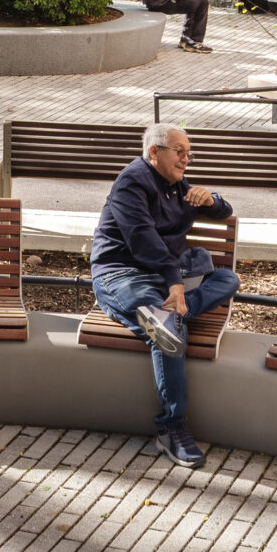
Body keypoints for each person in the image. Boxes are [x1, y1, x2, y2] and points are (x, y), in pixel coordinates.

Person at [90, 125, 238, 468]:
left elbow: (223, 212)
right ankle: (171, 428)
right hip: (121, 274)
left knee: (227, 279)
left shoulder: (178, 186)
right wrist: (173, 283)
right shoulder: (132, 181)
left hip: (162, 279)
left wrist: (212, 198)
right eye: (178, 150)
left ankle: (170, 315)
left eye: (189, 152)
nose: (186, 158)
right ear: (154, 152)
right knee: (167, 334)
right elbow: (143, 239)